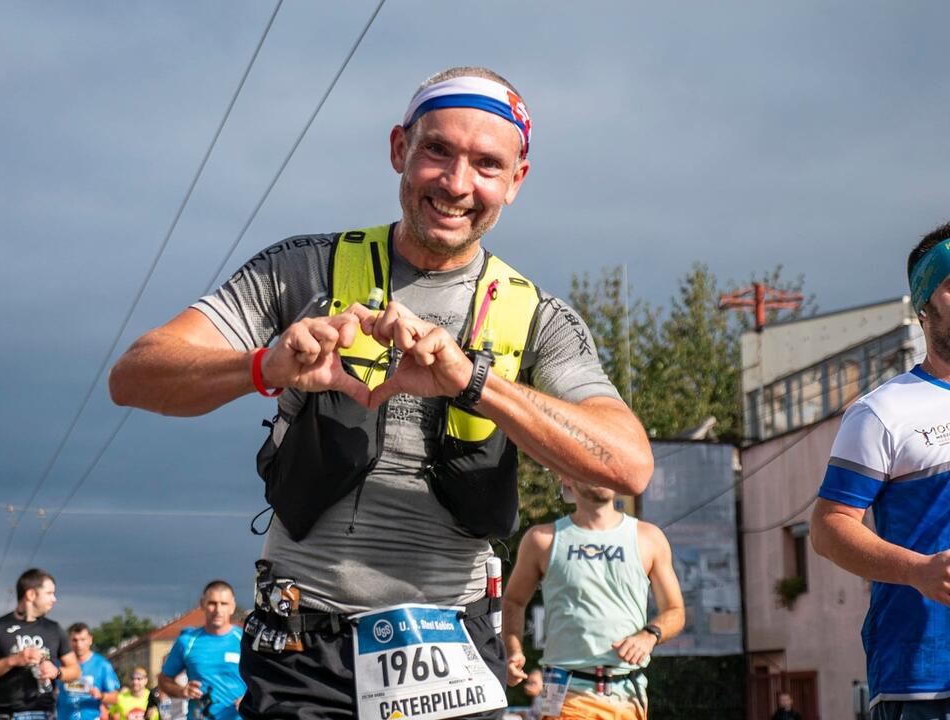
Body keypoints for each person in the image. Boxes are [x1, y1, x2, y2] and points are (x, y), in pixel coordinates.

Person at [109, 65, 653, 719]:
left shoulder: (537, 315)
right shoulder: (300, 269)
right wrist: (266, 366)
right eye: (437, 151)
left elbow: (626, 462)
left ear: (517, 180)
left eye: (486, 164)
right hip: (303, 644)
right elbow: (136, 375)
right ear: (400, 149)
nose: (457, 185)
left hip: (453, 643)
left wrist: (474, 382)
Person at [810, 221, 950, 720]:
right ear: (923, 310)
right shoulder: (883, 412)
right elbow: (828, 529)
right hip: (925, 677)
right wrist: (919, 571)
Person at [502, 478, 684, 720]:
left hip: (628, 693)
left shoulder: (649, 538)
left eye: (605, 468)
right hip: (565, 691)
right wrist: (513, 649)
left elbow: (675, 610)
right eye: (588, 468)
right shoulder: (542, 539)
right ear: (565, 477)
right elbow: (513, 601)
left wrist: (649, 635)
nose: (599, 475)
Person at [0, 568, 80, 720]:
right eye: (49, 593)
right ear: (31, 594)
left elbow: (75, 671)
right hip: (5, 713)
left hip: (43, 712)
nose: (54, 599)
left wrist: (56, 672)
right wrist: (13, 660)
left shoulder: (54, 629)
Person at [156, 582, 244, 720]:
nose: (218, 610)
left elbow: (266, 680)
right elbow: (163, 680)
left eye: (224, 604)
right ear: (202, 604)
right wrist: (182, 691)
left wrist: (251, 697)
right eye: (212, 603)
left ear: (232, 607)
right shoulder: (187, 641)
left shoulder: (245, 641)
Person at [57, 623, 119, 720]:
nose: (79, 644)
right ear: (68, 641)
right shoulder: (59, 663)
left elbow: (116, 698)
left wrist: (101, 695)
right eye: (74, 640)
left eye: (83, 639)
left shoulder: (102, 664)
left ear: (90, 640)